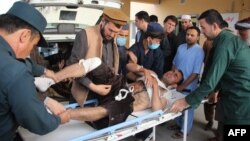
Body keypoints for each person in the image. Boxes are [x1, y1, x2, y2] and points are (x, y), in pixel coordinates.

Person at [170, 9, 250, 141]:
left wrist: (186, 101)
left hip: (241, 101)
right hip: (231, 96)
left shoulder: (225, 44)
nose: (201, 31)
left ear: (214, 26)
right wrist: (215, 90)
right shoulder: (224, 40)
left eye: (203, 27)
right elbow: (223, 73)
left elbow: (210, 80)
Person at [34, 62, 184, 129]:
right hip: (119, 86)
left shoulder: (166, 93)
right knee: (96, 62)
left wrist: (156, 86)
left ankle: (61, 115)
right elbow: (129, 66)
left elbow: (157, 110)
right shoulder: (152, 73)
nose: (171, 73)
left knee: (106, 110)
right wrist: (145, 71)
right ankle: (52, 78)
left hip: (127, 103)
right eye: (172, 71)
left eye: (175, 76)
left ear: (174, 85)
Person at [0, 2, 71, 140]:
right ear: (24, 36)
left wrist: (45, 71)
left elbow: (22, 63)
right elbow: (37, 122)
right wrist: (59, 120)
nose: (30, 50)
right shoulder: (16, 72)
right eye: (33, 46)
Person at [66, 7, 129, 108]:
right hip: (84, 96)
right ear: (103, 21)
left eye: (116, 33)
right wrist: (93, 87)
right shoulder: (85, 35)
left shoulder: (112, 38)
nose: (112, 35)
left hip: (104, 96)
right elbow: (73, 66)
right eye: (110, 30)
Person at [169, 26, 204, 139]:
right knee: (176, 104)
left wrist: (183, 85)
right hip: (176, 83)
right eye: (187, 34)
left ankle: (185, 130)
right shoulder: (181, 47)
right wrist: (171, 79)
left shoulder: (199, 51)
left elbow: (195, 73)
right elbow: (174, 63)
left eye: (192, 35)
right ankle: (178, 124)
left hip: (189, 85)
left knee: (188, 109)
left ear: (198, 37)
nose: (189, 37)